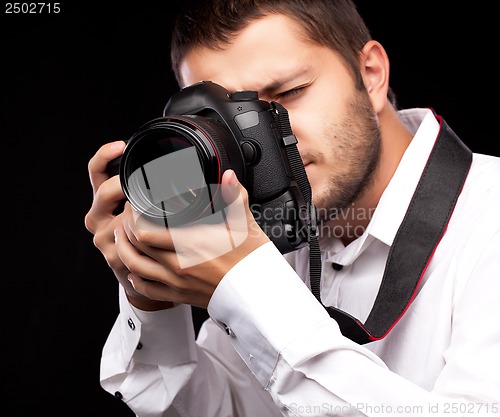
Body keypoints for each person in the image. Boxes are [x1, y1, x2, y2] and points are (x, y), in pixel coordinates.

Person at [85, 0, 500, 416]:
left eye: (288, 93)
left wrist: (251, 288)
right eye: (229, 120)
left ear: (370, 75)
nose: (265, 140)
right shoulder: (269, 225)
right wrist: (151, 290)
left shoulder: (489, 217)